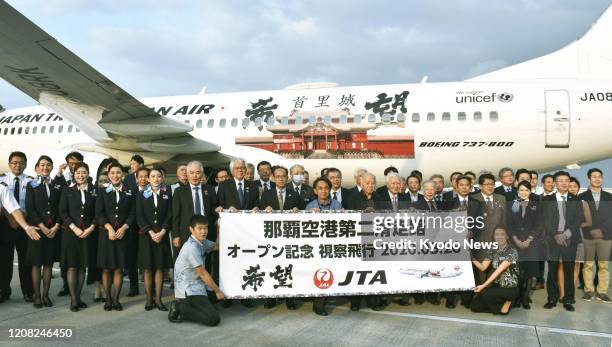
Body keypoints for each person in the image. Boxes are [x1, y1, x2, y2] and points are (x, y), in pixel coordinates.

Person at [215, 158, 258, 308]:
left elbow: (256, 204)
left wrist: (256, 208)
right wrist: (224, 209)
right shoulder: (224, 185)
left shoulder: (252, 186)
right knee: (230, 264)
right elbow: (218, 205)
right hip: (230, 233)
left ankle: (245, 295)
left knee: (246, 263)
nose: (241, 170)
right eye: (238, 168)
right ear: (232, 170)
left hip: (247, 234)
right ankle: (227, 295)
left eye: (243, 168)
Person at [168, 215, 224, 326]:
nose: (203, 231)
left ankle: (200, 305)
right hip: (188, 289)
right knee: (213, 319)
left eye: (205, 228)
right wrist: (217, 291)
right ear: (191, 229)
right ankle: (179, 307)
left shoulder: (202, 241)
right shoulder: (191, 248)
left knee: (224, 293)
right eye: (200, 228)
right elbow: (203, 273)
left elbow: (217, 246)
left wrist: (219, 230)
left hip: (199, 284)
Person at [96, 162, 135, 311]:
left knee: (118, 269)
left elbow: (132, 214)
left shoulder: (129, 191)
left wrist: (125, 227)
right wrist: (109, 228)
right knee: (106, 269)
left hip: (123, 235)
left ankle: (116, 299)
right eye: (112, 173)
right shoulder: (102, 191)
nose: (115, 176)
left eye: (118, 173)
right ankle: (108, 299)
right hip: (106, 235)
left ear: (123, 175)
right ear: (108, 174)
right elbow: (99, 214)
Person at [541, 171, 582, 311]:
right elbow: (545, 221)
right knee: (552, 270)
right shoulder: (547, 200)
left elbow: (578, 221)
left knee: (568, 270)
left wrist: (565, 235)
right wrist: (556, 235)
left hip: (569, 239)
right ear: (555, 183)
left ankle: (568, 299)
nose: (564, 183)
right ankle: (552, 298)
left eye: (566, 180)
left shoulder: (576, 200)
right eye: (560, 180)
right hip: (552, 239)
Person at [260, 166, 300, 309]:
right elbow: (258, 215)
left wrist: (298, 211)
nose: (281, 179)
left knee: (289, 268)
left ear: (288, 178)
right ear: (273, 178)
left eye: (283, 176)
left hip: (289, 238)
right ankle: (271, 297)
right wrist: (265, 211)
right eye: (277, 176)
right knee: (271, 267)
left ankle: (290, 299)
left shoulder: (294, 194)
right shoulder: (266, 194)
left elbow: (302, 214)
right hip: (272, 239)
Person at [25, 155, 63, 308]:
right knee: (36, 264)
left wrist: (56, 226)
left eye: (48, 165)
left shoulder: (56, 186)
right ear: (37, 168)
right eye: (42, 165)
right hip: (37, 230)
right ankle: (37, 296)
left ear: (52, 168)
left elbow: (61, 208)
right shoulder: (31, 185)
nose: (45, 167)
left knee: (48, 263)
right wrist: (42, 227)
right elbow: (31, 208)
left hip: (52, 231)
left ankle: (46, 296)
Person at [59, 162, 96, 312]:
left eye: (84, 172)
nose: (81, 175)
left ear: (88, 174)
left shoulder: (94, 191)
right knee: (72, 266)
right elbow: (63, 212)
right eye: (78, 173)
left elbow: (98, 212)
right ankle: (74, 300)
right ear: (74, 175)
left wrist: (91, 228)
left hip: (88, 233)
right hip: (71, 234)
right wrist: (74, 228)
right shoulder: (67, 190)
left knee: (82, 266)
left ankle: (78, 297)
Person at [136, 166, 173, 311]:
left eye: (158, 176)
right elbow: (140, 216)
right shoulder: (141, 194)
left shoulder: (167, 193)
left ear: (162, 178)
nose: (156, 179)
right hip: (147, 237)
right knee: (147, 269)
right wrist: (151, 232)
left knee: (159, 268)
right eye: (153, 176)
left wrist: (163, 231)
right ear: (148, 179)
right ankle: (148, 299)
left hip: (162, 236)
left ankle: (158, 299)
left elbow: (170, 214)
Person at [0, 151, 35, 303]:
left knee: (25, 261)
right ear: (9, 164)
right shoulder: (2, 180)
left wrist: (23, 219)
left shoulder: (31, 181)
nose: (17, 165)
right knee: (4, 261)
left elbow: (33, 203)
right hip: (5, 224)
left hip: (25, 225)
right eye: (14, 162)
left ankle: (28, 292)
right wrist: (11, 218)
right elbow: (3, 203)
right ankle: (3, 291)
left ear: (25, 164)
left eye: (21, 162)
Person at [446, 175, 483, 309]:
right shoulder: (448, 202)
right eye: (461, 185)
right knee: (452, 269)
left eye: (466, 185)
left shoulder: (477, 203)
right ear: (456, 186)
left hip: (471, 242)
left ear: (470, 186)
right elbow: (443, 223)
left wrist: (472, 233)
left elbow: (481, 223)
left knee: (469, 271)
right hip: (453, 242)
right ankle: (450, 299)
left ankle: (467, 299)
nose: (464, 187)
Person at [306, 177, 342, 316]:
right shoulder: (310, 206)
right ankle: (318, 304)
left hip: (333, 245)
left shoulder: (337, 205)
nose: (323, 191)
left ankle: (324, 298)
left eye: (326, 188)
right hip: (316, 247)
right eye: (320, 188)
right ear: (315, 191)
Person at [578, 168, 611, 303]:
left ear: (602, 178)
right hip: (588, 236)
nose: (597, 179)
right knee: (588, 265)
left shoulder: (610, 197)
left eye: (599, 176)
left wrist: (602, 230)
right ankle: (589, 290)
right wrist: (591, 230)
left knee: (604, 265)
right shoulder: (581, 197)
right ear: (589, 179)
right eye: (594, 177)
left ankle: (602, 292)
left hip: (606, 236)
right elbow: (579, 217)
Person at [507, 180, 541, 309]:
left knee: (530, 273)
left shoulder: (536, 205)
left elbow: (539, 225)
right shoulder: (512, 205)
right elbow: (508, 224)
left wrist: (529, 240)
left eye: (526, 190)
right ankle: (516, 298)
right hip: (515, 243)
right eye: (521, 190)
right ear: (518, 191)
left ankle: (525, 298)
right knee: (516, 272)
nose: (524, 192)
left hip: (531, 243)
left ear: (530, 192)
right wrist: (515, 239)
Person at [54, 151, 84, 297]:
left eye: (76, 163)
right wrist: (59, 174)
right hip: (64, 224)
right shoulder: (62, 179)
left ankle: (76, 289)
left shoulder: (86, 178)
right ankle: (66, 285)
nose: (73, 166)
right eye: (70, 163)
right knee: (64, 259)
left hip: (81, 226)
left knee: (79, 260)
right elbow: (54, 193)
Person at [470, 227, 520, 315]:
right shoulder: (493, 250)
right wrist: (471, 258)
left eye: (502, 234)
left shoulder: (512, 251)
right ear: (493, 236)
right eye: (496, 234)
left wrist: (483, 285)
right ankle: (503, 304)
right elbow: (483, 267)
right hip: (497, 286)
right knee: (474, 306)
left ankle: (509, 300)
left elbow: (498, 270)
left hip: (510, 288)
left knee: (486, 294)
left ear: (507, 236)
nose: (499, 237)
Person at [471, 173, 507, 284]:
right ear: (480, 186)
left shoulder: (501, 198)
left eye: (492, 184)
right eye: (487, 184)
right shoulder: (473, 198)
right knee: (481, 270)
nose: (490, 186)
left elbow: (504, 220)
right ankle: (482, 294)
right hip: (480, 241)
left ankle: (494, 294)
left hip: (498, 241)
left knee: (497, 269)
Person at [569, 177, 590, 292]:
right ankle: (562, 288)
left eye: (575, 186)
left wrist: (576, 225)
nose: (572, 189)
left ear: (578, 188)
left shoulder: (583, 203)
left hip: (579, 236)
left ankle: (571, 289)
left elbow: (589, 222)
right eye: (570, 186)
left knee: (576, 263)